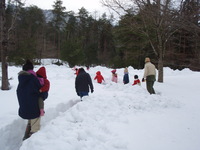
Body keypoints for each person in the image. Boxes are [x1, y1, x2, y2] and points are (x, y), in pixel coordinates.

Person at [17, 60, 42, 140]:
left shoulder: (21, 81)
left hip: (24, 108)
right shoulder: (33, 79)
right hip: (33, 108)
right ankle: (32, 142)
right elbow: (40, 92)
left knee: (30, 121)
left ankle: (26, 136)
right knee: (35, 124)